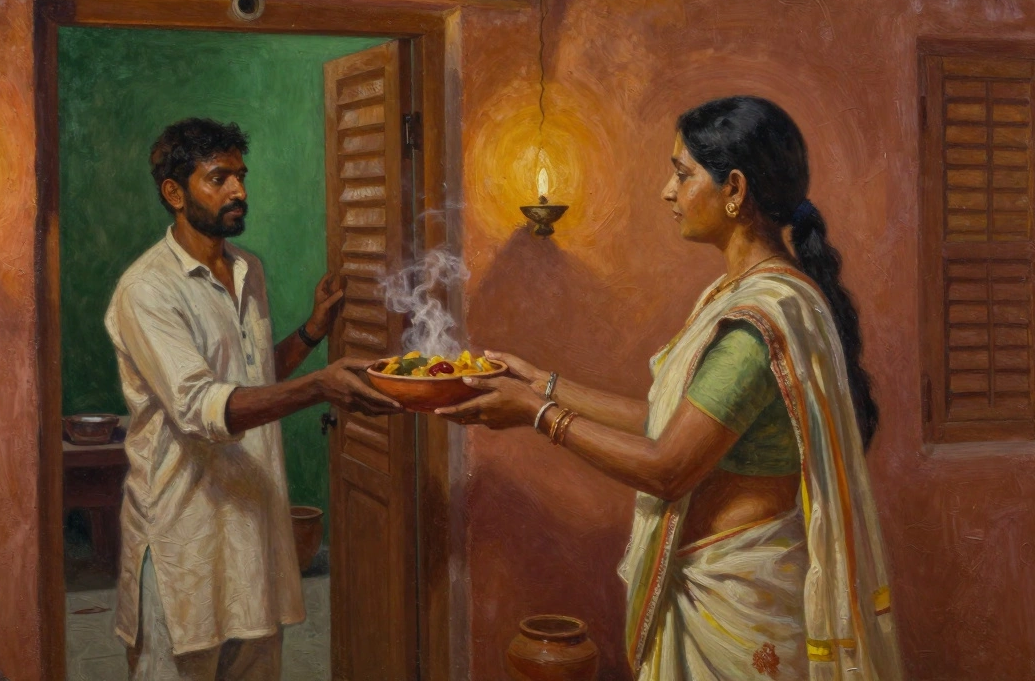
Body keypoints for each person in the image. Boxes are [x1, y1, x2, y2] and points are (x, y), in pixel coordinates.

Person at [438, 97, 903, 680]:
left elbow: (669, 467)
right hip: (727, 589)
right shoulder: (739, 297)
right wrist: (543, 383)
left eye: (682, 174)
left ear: (734, 189)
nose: (666, 191)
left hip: (742, 606)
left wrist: (537, 414)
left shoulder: (757, 323)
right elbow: (669, 418)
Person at [105, 117, 401, 681]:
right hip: (183, 540)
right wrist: (319, 386)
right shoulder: (147, 290)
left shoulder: (248, 270)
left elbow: (253, 376)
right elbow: (201, 409)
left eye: (240, 175)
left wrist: (312, 332)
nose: (239, 190)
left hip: (252, 533)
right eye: (219, 178)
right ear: (173, 192)